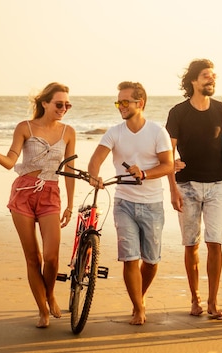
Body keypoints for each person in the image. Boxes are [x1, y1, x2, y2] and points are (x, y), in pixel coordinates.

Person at [0, 82, 76, 328]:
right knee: (33, 258)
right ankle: (42, 311)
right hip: (23, 194)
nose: (64, 108)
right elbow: (9, 162)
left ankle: (50, 295)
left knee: (52, 257)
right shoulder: (24, 127)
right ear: (44, 103)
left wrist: (70, 205)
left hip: (50, 194)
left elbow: (68, 170)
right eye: (59, 104)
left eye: (67, 104)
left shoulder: (69, 131)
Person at [87, 81, 173, 325]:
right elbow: (96, 160)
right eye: (118, 102)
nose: (120, 106)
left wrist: (144, 174)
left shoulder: (158, 132)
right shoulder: (114, 132)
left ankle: (139, 297)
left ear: (140, 103)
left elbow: (167, 166)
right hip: (124, 202)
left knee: (151, 261)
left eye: (125, 102)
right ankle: (138, 307)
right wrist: (95, 176)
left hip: (153, 204)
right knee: (129, 257)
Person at [165, 58, 222, 319]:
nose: (211, 79)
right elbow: (167, 153)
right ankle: (195, 300)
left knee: (215, 243)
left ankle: (214, 301)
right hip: (187, 186)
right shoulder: (178, 112)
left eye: (213, 75)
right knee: (191, 245)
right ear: (193, 80)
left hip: (217, 185)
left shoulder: (220, 109)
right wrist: (172, 188)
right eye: (206, 75)